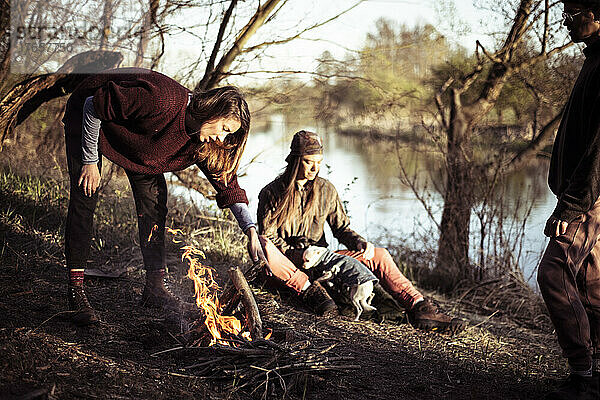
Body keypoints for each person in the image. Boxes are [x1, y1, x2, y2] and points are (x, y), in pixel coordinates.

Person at [62, 67, 266, 326]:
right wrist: (90, 161)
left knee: (154, 206)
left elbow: (227, 182)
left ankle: (154, 289)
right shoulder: (162, 100)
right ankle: (75, 291)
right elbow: (94, 105)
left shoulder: (203, 141)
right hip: (88, 117)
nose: (221, 137)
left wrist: (250, 228)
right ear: (213, 110)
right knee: (85, 195)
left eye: (228, 134)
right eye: (224, 128)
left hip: (140, 147)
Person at [256, 130, 465, 334]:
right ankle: (311, 291)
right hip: (287, 265)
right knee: (264, 246)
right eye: (309, 162)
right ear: (295, 160)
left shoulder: (326, 190)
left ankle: (420, 308)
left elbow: (341, 228)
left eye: (319, 162)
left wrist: (359, 243)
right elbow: (268, 237)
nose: (315, 168)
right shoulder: (271, 193)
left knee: (379, 255)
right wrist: (297, 253)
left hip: (323, 261)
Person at [537, 2, 600, 398]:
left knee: (554, 273)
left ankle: (583, 375)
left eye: (574, 11)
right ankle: (594, 377)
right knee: (592, 285)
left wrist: (572, 205)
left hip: (589, 198)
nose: (566, 20)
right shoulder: (594, 57)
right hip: (588, 196)